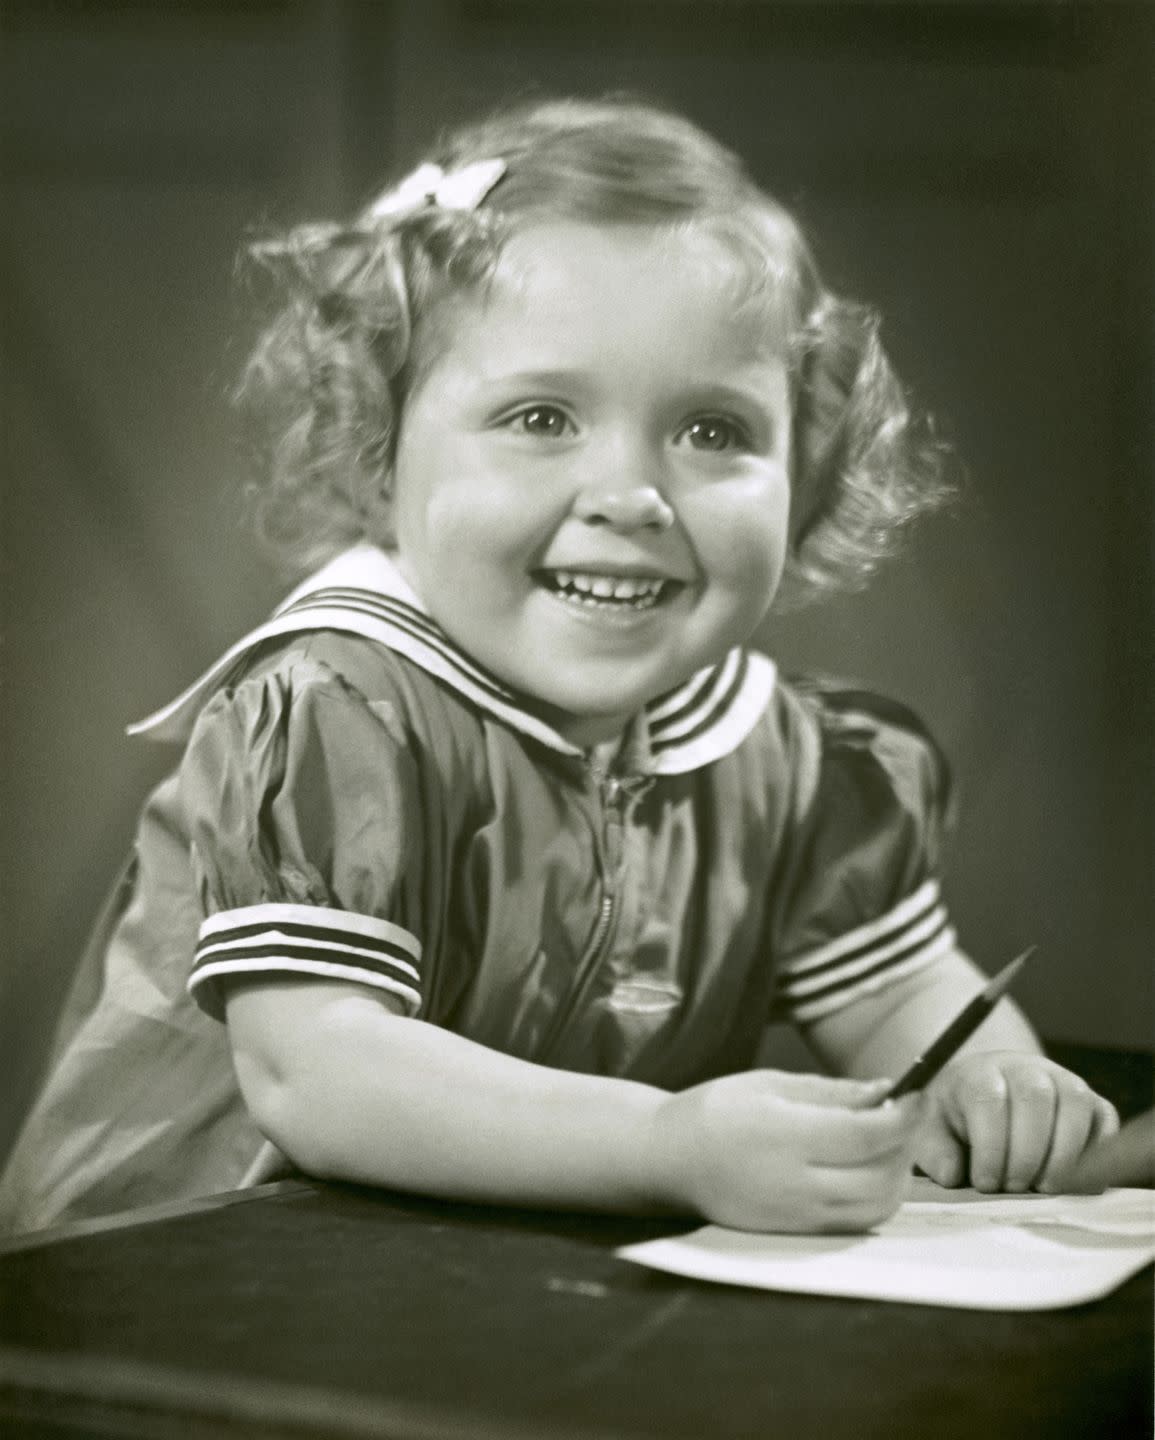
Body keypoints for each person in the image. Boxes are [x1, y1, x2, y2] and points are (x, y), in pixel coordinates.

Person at [0, 97, 1119, 1237]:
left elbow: (897, 992)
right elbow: (319, 1076)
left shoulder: (782, 757)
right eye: (542, 417)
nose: (631, 496)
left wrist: (987, 1077)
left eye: (714, 431)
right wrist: (668, 1145)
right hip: (180, 1287)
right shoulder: (341, 711)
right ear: (379, 456)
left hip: (470, 1295)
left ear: (811, 467)